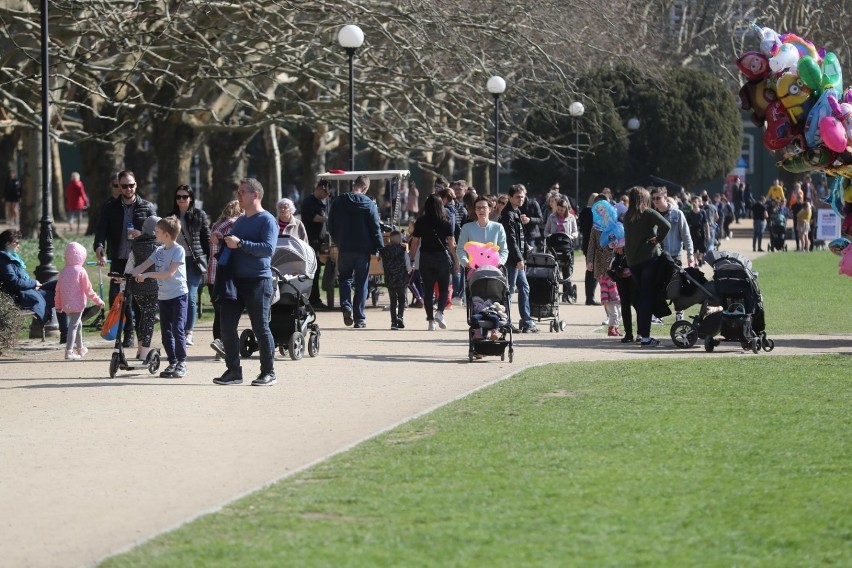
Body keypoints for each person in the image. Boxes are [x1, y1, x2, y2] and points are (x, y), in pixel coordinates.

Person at [212, 178, 278, 386]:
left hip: (258, 280)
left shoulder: (267, 220)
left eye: (242, 192)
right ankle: (233, 372)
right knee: (226, 326)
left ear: (255, 195)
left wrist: (240, 243)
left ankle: (268, 372)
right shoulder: (240, 221)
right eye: (238, 192)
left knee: (260, 327)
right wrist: (221, 238)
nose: (238, 196)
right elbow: (233, 244)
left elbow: (267, 249)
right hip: (234, 281)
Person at [93, 170, 155, 347]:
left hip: (140, 259)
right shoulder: (110, 207)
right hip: (119, 258)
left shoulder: (147, 207)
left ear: (136, 185)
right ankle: (127, 332)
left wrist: (142, 233)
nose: (128, 189)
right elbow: (101, 230)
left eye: (131, 185)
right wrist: (99, 247)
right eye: (124, 186)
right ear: (119, 187)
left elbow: (157, 233)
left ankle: (140, 335)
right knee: (118, 298)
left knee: (138, 299)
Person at [132, 216, 189, 379]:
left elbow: (168, 274)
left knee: (177, 328)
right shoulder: (159, 250)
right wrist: (127, 275)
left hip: (178, 295)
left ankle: (182, 362)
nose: (154, 234)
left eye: (157, 231)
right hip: (163, 297)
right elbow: (143, 266)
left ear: (166, 234)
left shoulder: (178, 250)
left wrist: (147, 275)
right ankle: (172, 362)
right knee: (165, 332)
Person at [328, 175, 383, 329]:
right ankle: (359, 318)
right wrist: (380, 248)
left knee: (344, 278)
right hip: (363, 248)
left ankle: (346, 305)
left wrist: (338, 240)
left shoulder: (338, 201)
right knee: (361, 282)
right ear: (365, 188)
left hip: (345, 246)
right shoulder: (369, 203)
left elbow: (330, 224)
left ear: (354, 184)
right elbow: (375, 228)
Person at [0, 229, 69, 341]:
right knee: (60, 294)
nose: (18, 245)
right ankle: (67, 332)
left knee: (60, 285)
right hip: (21, 295)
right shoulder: (4, 260)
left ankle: (72, 320)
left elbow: (20, 279)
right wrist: (33, 283)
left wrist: (33, 284)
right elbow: (14, 282)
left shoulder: (11, 257)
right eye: (16, 243)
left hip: (29, 290)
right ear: (7, 244)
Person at [623, 186, 670, 347]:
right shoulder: (648, 213)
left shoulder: (627, 215)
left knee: (641, 297)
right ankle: (646, 337)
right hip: (648, 258)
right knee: (647, 297)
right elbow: (666, 225)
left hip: (633, 261)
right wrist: (658, 239)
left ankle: (642, 334)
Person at [167, 185, 210, 347]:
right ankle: (177, 329)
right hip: (175, 261)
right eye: (178, 197)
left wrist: (208, 260)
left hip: (193, 261)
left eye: (185, 197)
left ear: (191, 198)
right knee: (176, 296)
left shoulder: (199, 215)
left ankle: (189, 332)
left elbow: (206, 239)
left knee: (190, 296)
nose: (181, 200)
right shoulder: (171, 216)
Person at [410, 194, 458, 330]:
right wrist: (455, 260)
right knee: (444, 289)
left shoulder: (420, 222)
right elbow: (451, 243)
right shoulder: (446, 221)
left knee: (428, 290)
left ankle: (431, 321)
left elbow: (415, 242)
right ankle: (440, 313)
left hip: (426, 257)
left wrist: (413, 258)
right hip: (441, 256)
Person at [499, 184, 539, 333]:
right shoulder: (508, 215)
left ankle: (527, 321)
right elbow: (510, 240)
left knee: (524, 287)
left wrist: (526, 246)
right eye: (517, 197)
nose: (521, 199)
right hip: (512, 259)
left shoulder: (516, 212)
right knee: (509, 290)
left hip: (518, 257)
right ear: (510, 197)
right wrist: (518, 258)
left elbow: (518, 237)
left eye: (522, 197)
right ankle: (506, 322)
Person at [55, 242, 105, 360]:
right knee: (73, 326)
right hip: (77, 304)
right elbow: (88, 290)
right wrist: (98, 301)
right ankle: (69, 351)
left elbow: (58, 290)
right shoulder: (80, 271)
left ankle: (81, 348)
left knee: (78, 324)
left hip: (66, 305)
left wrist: (58, 305)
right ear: (82, 257)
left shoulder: (63, 271)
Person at [123, 215, 161, 363]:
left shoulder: (136, 245)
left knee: (144, 316)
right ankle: (144, 352)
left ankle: (140, 349)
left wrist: (124, 283)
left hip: (137, 287)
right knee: (149, 319)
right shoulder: (159, 247)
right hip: (153, 286)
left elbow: (130, 265)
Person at [208, 200, 242, 361]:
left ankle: (218, 346)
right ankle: (225, 345)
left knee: (218, 313)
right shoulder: (236, 224)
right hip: (227, 274)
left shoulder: (216, 225)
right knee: (229, 314)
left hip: (212, 274)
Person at [586, 222, 621, 337]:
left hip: (615, 261)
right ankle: (610, 318)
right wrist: (589, 261)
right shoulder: (595, 227)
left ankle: (615, 324)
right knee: (605, 287)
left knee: (616, 289)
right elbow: (591, 245)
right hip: (600, 263)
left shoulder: (615, 225)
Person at [300, 180, 330, 309]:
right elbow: (312, 217)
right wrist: (328, 219)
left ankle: (314, 298)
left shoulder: (319, 203)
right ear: (320, 188)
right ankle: (313, 300)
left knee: (317, 271)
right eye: (326, 192)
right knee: (313, 271)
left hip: (319, 241)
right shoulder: (308, 202)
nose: (327, 195)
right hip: (311, 241)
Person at [456, 195, 509, 268]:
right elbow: (460, 249)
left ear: (490, 209)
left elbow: (503, 250)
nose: (481, 210)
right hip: (473, 269)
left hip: (494, 269)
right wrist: (466, 262)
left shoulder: (498, 227)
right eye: (478, 208)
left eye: (484, 207)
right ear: (475, 210)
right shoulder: (467, 227)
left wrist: (499, 262)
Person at [379, 230, 412, 330]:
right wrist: (410, 270)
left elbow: (381, 267)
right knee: (402, 299)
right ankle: (400, 317)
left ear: (390, 240)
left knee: (393, 301)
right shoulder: (402, 251)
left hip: (390, 279)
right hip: (401, 279)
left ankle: (393, 322)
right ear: (400, 240)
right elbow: (408, 266)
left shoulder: (384, 252)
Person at [653, 189, 695, 268]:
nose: (655, 200)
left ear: (665, 198)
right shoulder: (652, 215)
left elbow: (686, 235)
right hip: (657, 256)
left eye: (658, 198)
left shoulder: (677, 213)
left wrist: (690, 254)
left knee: (675, 280)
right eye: (653, 198)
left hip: (674, 256)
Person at [578, 193, 600, 305]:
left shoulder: (583, 212)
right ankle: (590, 297)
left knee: (590, 269)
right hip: (594, 243)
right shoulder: (594, 212)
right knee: (594, 271)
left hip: (586, 243)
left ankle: (589, 296)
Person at [518, 187, 545, 252]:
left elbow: (540, 220)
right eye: (518, 195)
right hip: (518, 235)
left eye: (522, 193)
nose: (520, 197)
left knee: (530, 257)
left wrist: (529, 219)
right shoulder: (515, 204)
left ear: (525, 192)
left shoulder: (533, 203)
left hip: (531, 235)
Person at [685, 196, 708, 265]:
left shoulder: (703, 212)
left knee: (703, 247)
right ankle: (695, 262)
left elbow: (706, 223)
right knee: (694, 247)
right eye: (693, 201)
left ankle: (700, 258)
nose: (694, 203)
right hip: (693, 231)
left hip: (701, 231)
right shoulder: (690, 214)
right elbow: (687, 225)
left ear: (699, 202)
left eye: (696, 201)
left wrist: (708, 234)